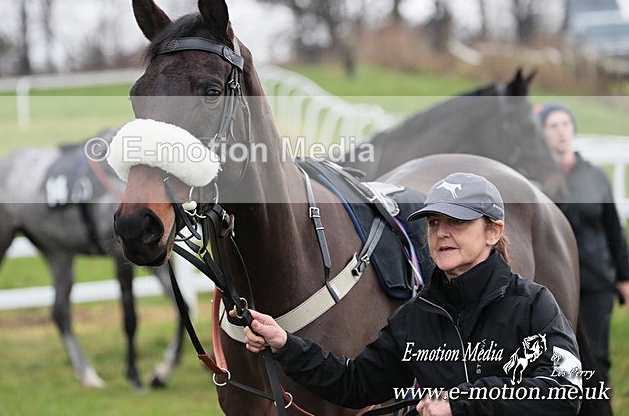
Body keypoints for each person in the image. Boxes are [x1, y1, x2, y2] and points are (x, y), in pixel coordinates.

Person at [242, 172, 582, 415]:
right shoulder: (415, 316)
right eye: (433, 222)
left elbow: (566, 390)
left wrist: (459, 403)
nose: (441, 233)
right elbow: (355, 383)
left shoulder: (534, 304)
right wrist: (285, 345)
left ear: (493, 231)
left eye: (457, 221)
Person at [539, 102, 629, 380]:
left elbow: (613, 229)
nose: (561, 131)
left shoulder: (595, 176)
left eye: (565, 124)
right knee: (559, 357)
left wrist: (624, 277)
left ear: (573, 129)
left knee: (596, 356)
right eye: (553, 126)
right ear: (543, 133)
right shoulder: (537, 180)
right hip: (552, 282)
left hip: (595, 281)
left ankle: (599, 402)